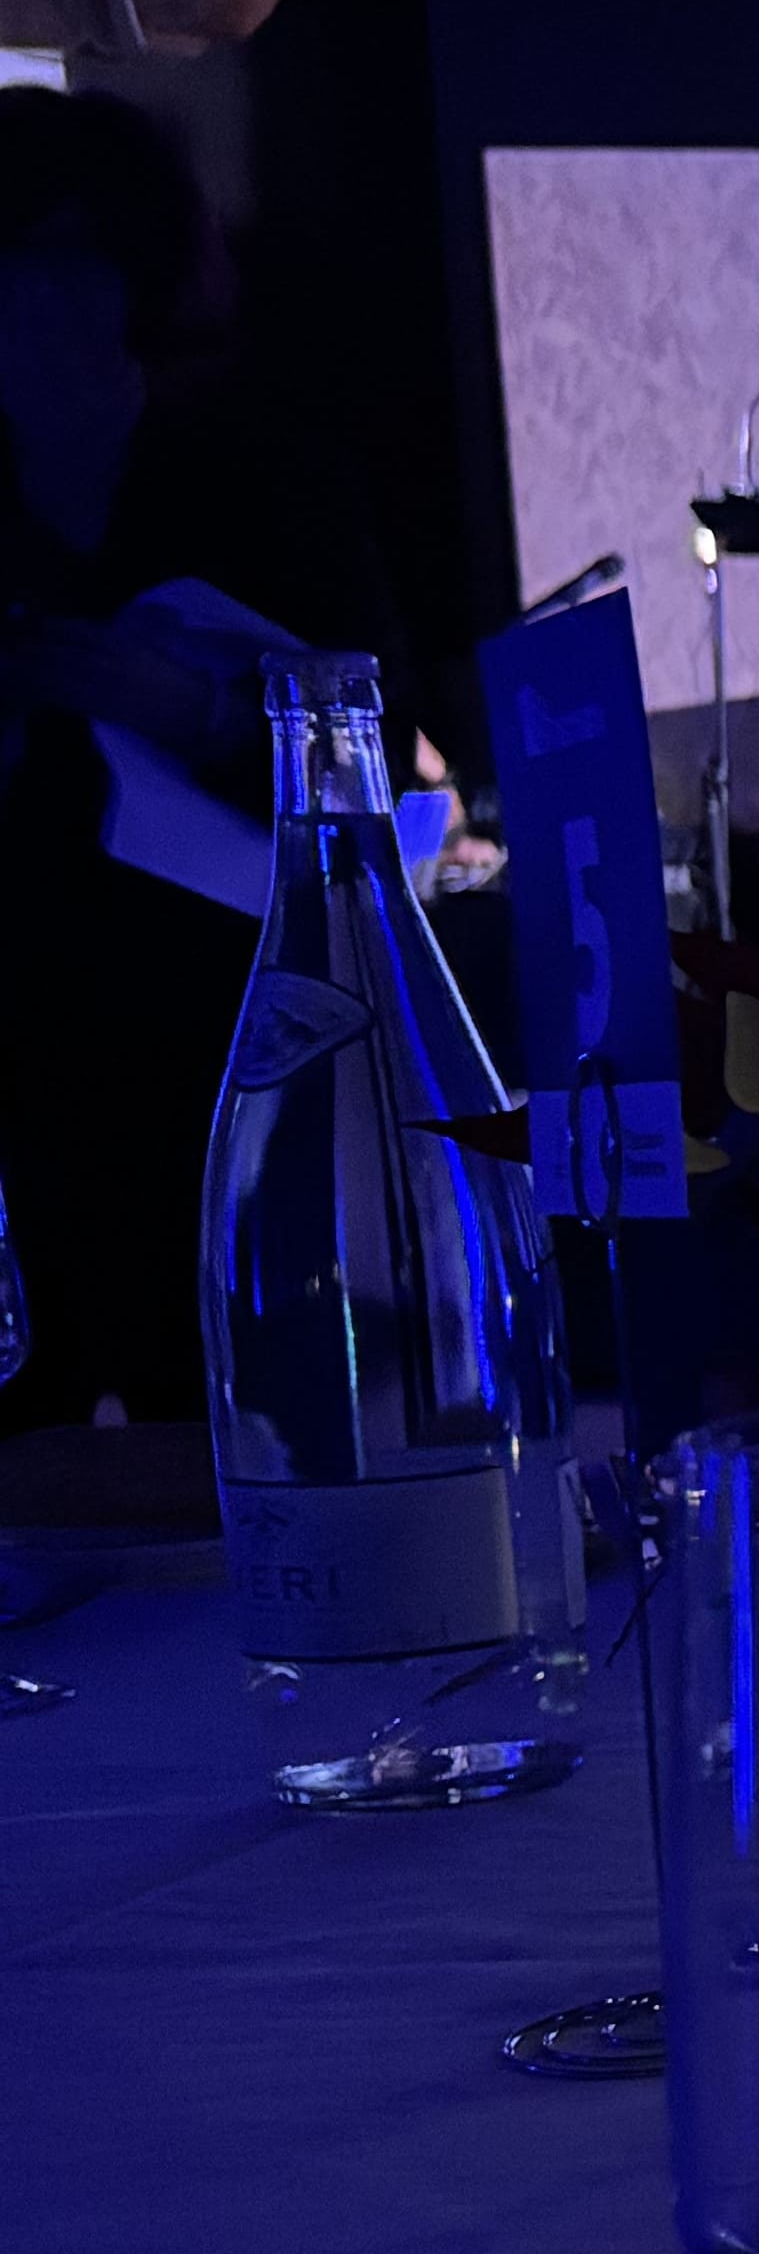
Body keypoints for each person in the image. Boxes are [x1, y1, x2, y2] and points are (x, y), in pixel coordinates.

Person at [0, 86, 402, 1429]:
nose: (25, 303)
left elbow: (376, 764)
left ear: (138, 273)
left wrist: (196, 710)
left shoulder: (267, 484)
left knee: (241, 1423)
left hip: (231, 1052)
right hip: (23, 1067)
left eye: (58, 259)